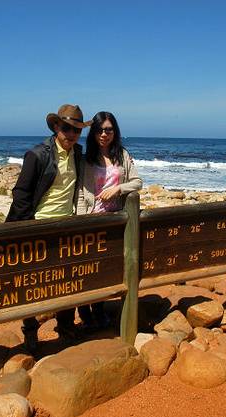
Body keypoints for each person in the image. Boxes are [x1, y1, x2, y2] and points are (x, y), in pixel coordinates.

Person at [6, 104, 90, 351]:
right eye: (66, 128)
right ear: (56, 127)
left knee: (68, 279)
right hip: (38, 225)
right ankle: (30, 331)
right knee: (31, 283)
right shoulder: (37, 155)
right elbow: (21, 194)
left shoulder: (78, 153)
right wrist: (28, 228)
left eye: (76, 130)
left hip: (66, 225)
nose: (71, 134)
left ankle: (65, 326)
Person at [76, 112, 142, 332]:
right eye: (99, 130)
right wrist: (81, 221)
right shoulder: (86, 158)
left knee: (104, 269)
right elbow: (79, 192)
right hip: (91, 219)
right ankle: (85, 313)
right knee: (87, 269)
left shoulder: (122, 155)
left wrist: (118, 189)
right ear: (93, 133)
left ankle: (99, 310)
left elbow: (138, 182)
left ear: (115, 131)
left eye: (108, 130)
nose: (104, 134)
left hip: (115, 221)